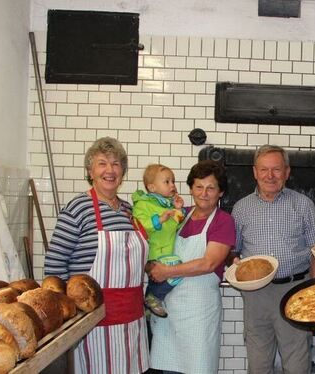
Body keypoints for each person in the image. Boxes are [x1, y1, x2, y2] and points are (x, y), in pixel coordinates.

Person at [44, 137, 149, 373]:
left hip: (132, 321)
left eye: (116, 164)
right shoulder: (78, 208)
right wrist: (65, 315)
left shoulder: (129, 212)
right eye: (102, 163)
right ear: (90, 171)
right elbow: (54, 266)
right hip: (92, 325)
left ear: (123, 172)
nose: (109, 170)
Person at [232, 144, 315, 374]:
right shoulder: (241, 208)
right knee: (258, 364)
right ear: (255, 172)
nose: (270, 176)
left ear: (287, 172)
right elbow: (233, 251)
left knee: (297, 365)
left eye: (276, 169)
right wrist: (234, 266)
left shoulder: (303, 205)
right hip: (256, 296)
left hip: (295, 291)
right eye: (264, 170)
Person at [148, 160, 236, 374]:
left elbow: (209, 263)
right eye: (198, 186)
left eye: (211, 188)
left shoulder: (223, 221)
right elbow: (154, 243)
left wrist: (166, 271)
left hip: (199, 315)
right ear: (190, 188)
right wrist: (150, 265)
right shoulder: (179, 216)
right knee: (165, 368)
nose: (204, 193)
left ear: (221, 192)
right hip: (168, 312)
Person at [132, 164, 185, 318]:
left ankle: (151, 301)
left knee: (174, 273)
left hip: (167, 250)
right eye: (167, 182)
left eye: (173, 181)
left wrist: (179, 210)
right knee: (176, 272)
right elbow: (139, 226)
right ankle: (152, 297)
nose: (172, 185)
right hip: (154, 251)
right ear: (152, 187)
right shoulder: (143, 204)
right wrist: (159, 220)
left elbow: (178, 225)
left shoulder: (167, 203)